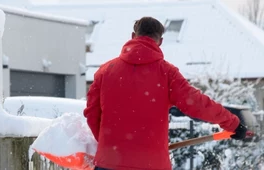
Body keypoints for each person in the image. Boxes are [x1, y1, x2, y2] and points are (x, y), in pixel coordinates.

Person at [84, 16, 247, 170]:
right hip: (152, 164)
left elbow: (92, 113)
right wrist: (231, 123)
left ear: (133, 36)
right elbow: (197, 103)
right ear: (160, 41)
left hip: (109, 163)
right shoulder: (167, 74)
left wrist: (111, 145)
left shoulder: (105, 72)